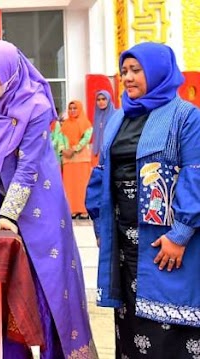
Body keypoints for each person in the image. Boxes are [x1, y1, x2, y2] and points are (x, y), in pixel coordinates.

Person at [0, 40, 96, 358]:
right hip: (0, 203)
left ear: (11, 76)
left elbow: (27, 168)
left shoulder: (37, 105)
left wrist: (9, 214)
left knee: (46, 285)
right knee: (3, 287)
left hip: (38, 207)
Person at [86, 42, 200, 358]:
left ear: (158, 71)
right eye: (124, 71)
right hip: (123, 242)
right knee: (130, 320)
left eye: (136, 70)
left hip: (166, 240)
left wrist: (180, 235)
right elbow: (101, 172)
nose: (128, 77)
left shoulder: (186, 117)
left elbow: (196, 175)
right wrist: (100, 224)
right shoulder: (118, 118)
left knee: (171, 321)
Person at [61, 100, 93, 219]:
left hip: (81, 157)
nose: (72, 111)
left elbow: (86, 139)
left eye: (75, 108)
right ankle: (72, 209)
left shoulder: (86, 123)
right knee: (70, 185)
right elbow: (60, 138)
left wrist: (74, 149)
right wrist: (64, 149)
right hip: (68, 159)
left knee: (82, 185)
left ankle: (84, 209)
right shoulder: (65, 124)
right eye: (70, 108)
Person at [91, 90, 115, 167]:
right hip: (97, 152)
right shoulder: (96, 116)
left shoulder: (115, 115)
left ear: (108, 100)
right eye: (98, 100)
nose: (101, 102)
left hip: (111, 151)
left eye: (103, 99)